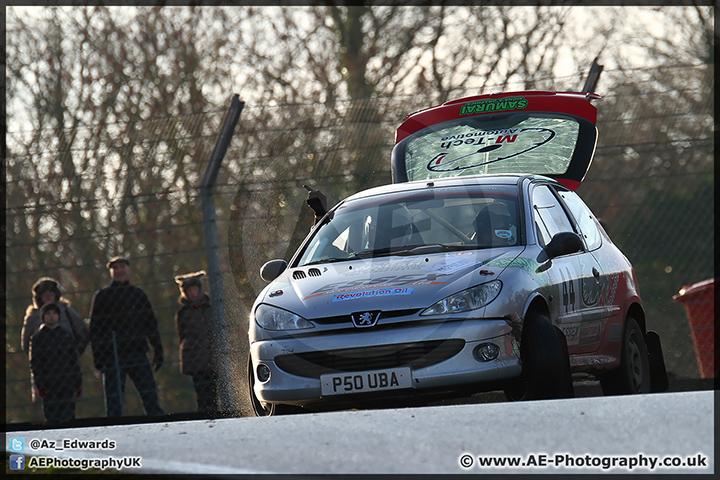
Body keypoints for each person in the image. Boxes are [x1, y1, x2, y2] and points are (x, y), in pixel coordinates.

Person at [89, 256, 165, 417]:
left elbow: (150, 324)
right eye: (115, 268)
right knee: (114, 405)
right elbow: (95, 329)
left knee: (150, 397)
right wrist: (99, 358)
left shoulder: (138, 295)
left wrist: (158, 349)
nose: (119, 271)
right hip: (113, 356)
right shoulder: (103, 296)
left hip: (137, 353)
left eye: (122, 267)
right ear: (111, 272)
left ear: (129, 270)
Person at [21, 277, 88, 403]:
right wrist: (39, 360)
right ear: (38, 297)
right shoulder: (32, 317)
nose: (48, 296)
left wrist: (74, 354)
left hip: (68, 371)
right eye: (44, 294)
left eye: (50, 293)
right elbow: (25, 344)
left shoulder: (67, 312)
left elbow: (83, 334)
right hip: (44, 374)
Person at [29, 303, 82, 422]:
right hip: (49, 386)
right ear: (43, 317)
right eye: (48, 313)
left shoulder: (67, 336)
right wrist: (40, 384)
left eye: (54, 313)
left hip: (67, 383)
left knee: (69, 416)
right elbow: (36, 364)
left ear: (58, 316)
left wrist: (77, 381)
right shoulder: (38, 339)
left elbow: (74, 360)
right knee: (52, 418)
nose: (51, 316)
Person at [174, 271, 218, 413]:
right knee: (200, 389)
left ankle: (214, 412)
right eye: (189, 290)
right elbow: (182, 335)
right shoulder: (183, 313)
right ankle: (202, 413)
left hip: (211, 355)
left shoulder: (210, 308)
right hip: (194, 357)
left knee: (213, 389)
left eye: (195, 289)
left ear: (200, 289)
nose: (193, 293)